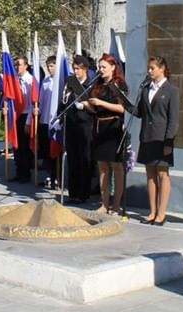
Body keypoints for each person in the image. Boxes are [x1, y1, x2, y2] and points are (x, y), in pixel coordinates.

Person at [129, 56, 179, 225]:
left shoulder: (171, 90)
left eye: (152, 68)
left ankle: (162, 213)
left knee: (162, 174)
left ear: (162, 68)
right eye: (149, 68)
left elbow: (173, 119)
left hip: (162, 138)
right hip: (147, 136)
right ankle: (152, 211)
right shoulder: (146, 89)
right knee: (150, 174)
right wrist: (124, 102)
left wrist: (169, 142)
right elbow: (140, 112)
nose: (149, 71)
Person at [84, 54, 129, 216]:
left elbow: (122, 108)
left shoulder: (119, 84)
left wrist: (101, 102)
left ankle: (116, 205)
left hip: (113, 127)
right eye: (99, 67)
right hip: (98, 126)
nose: (100, 70)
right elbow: (94, 109)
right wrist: (86, 104)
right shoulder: (97, 85)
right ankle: (104, 204)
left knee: (116, 167)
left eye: (103, 67)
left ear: (112, 67)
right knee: (102, 167)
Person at [62, 55, 95, 203]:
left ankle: (83, 193)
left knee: (85, 158)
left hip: (86, 124)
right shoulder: (70, 83)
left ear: (85, 69)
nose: (75, 72)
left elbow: (95, 107)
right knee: (73, 158)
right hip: (71, 123)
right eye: (74, 68)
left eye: (78, 69)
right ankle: (72, 192)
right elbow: (64, 101)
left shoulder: (91, 84)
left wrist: (85, 105)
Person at [37, 56, 59, 189]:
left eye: (52, 66)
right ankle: (49, 175)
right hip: (45, 120)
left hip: (56, 121)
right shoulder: (45, 82)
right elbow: (41, 100)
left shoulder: (61, 81)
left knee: (56, 150)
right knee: (46, 150)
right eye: (48, 66)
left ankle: (57, 176)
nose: (50, 69)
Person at [13, 55, 35, 183]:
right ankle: (18, 171)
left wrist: (28, 122)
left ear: (26, 66)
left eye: (19, 64)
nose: (17, 67)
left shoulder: (30, 80)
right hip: (16, 115)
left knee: (25, 146)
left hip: (26, 115)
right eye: (16, 65)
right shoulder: (15, 80)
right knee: (16, 145)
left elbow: (33, 102)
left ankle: (26, 173)